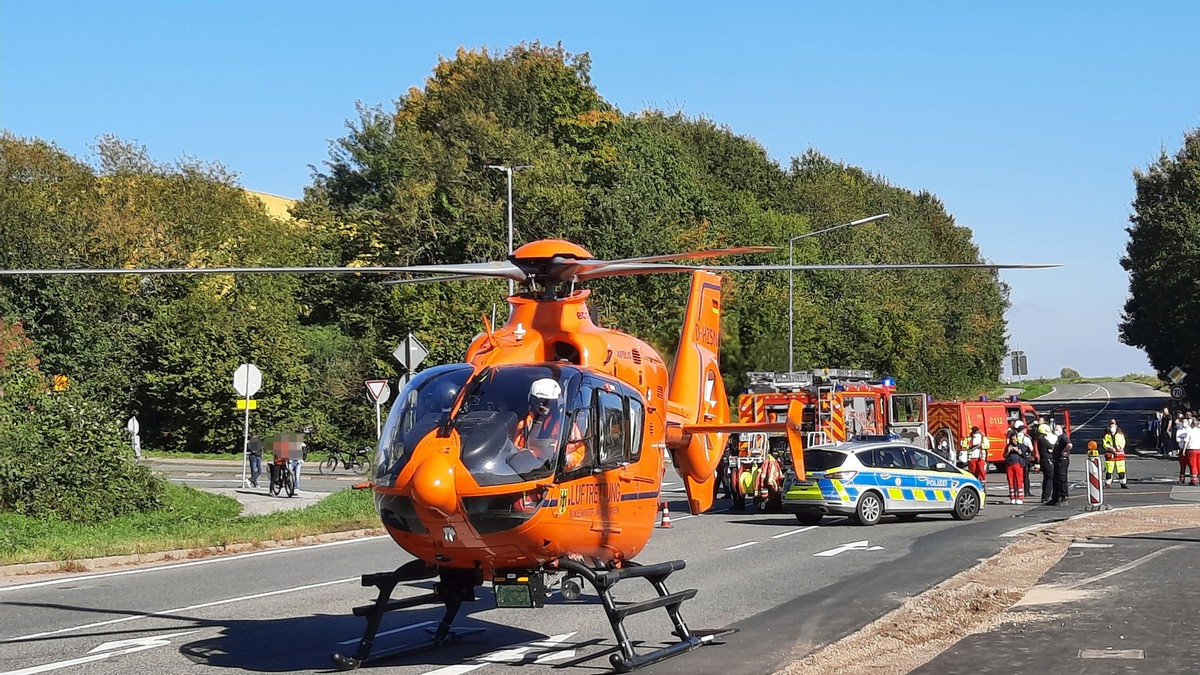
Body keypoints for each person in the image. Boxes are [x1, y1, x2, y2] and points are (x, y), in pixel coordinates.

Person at [1046, 424, 1072, 505]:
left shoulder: (1063, 437)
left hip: (1062, 460)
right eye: (1054, 429)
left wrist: (1063, 451)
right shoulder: (1057, 438)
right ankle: (1055, 498)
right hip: (1057, 460)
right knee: (1056, 479)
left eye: (1057, 429)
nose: (1055, 430)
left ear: (1061, 430)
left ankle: (1064, 497)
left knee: (1062, 478)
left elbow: (1069, 445)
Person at [1034, 416, 1056, 503]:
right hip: (1047, 460)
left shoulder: (1040, 439)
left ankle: (1045, 495)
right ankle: (1046, 496)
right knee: (1049, 478)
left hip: (1044, 460)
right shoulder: (1043, 439)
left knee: (1046, 478)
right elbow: (1050, 447)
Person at [1004, 427, 1027, 504]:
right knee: (1011, 481)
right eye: (1012, 439)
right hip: (1009, 465)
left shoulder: (1021, 446)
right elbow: (1004, 455)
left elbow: (1024, 455)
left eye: (1014, 439)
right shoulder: (1008, 446)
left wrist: (1017, 450)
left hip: (1018, 464)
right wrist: (1008, 451)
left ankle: (1020, 497)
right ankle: (1012, 497)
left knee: (1019, 480)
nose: (1013, 440)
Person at [1102, 419, 1128, 489]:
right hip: (1110, 455)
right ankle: (1108, 483)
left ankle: (1123, 483)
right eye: (1111, 425)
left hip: (1119, 455)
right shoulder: (1107, 435)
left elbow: (1123, 442)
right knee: (1109, 470)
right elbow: (1105, 443)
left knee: (1121, 470)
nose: (1112, 427)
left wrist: (1120, 447)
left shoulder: (1120, 434)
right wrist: (1110, 448)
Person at [1184, 419, 1200, 486]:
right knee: (1199, 464)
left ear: (1192, 424)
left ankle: (1193, 480)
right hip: (1199, 449)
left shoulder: (1189, 431)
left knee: (1193, 465)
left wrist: (1184, 449)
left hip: (1191, 450)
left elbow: (1186, 441)